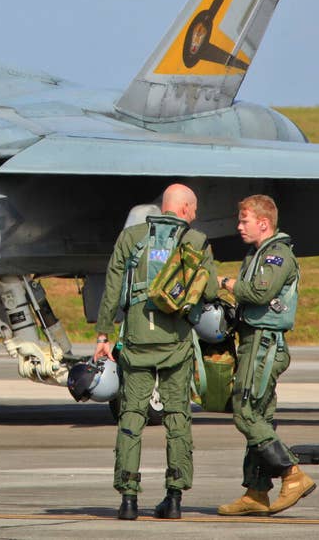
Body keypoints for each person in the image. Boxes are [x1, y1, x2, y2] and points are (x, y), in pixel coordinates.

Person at [94, 183, 218, 521]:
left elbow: (112, 287)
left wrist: (104, 333)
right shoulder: (195, 241)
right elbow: (208, 291)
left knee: (131, 417)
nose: (194, 215)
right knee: (177, 417)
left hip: (135, 341)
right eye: (192, 209)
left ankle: (128, 500)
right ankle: (174, 497)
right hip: (175, 344)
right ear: (183, 209)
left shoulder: (131, 238)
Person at [216, 194, 315, 517]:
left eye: (244, 221)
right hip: (252, 339)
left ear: (264, 223)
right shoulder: (256, 254)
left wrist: (224, 282)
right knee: (259, 416)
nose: (239, 226)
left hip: (263, 344)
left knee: (245, 412)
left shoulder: (277, 256)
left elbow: (260, 292)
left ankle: (292, 474)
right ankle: (256, 491)